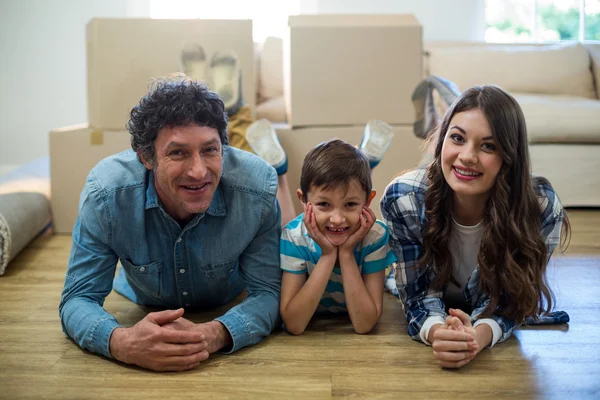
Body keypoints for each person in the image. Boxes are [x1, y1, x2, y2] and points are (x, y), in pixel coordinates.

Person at [58, 74, 282, 372]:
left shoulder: (257, 189)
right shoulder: (106, 195)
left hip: (227, 299)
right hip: (142, 300)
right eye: (178, 153)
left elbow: (269, 293)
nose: (199, 171)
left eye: (210, 150)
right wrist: (122, 342)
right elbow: (78, 298)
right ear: (146, 158)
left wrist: (214, 334)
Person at [380, 85, 570, 369]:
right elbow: (418, 295)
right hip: (429, 290)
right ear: (442, 139)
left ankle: (442, 96)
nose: (467, 156)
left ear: (509, 156)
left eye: (488, 146)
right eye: (457, 138)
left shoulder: (540, 208)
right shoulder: (404, 199)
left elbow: (512, 301)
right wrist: (437, 332)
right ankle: (441, 98)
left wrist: (476, 338)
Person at [180, 44, 395, 227]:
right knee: (351, 205)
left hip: (303, 250)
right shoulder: (373, 238)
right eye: (324, 205)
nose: (336, 220)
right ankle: (363, 165)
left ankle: (279, 172)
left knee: (290, 234)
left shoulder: (299, 241)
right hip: (351, 248)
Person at [279, 139, 397, 335]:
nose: (337, 219)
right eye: (324, 204)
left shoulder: (375, 237)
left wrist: (347, 254)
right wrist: (327, 256)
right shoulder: (294, 237)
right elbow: (294, 324)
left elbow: (364, 324)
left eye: (350, 204)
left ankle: (368, 156)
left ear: (367, 202)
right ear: (304, 200)